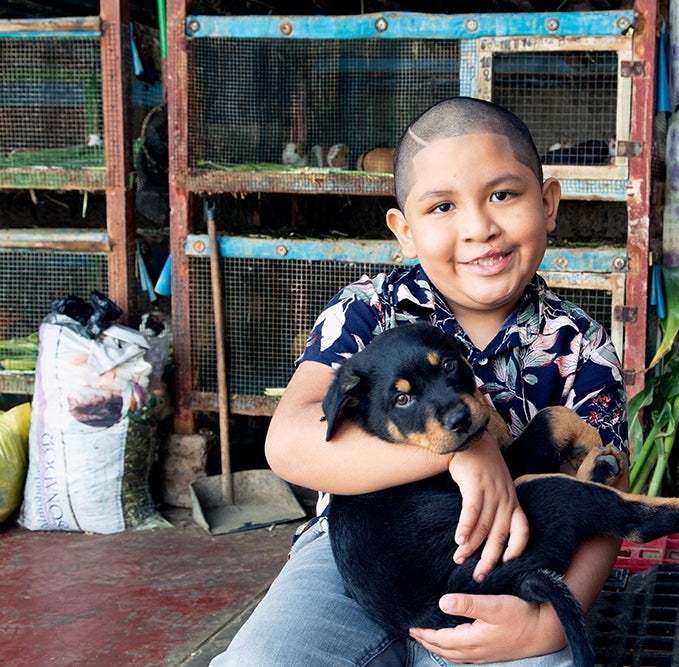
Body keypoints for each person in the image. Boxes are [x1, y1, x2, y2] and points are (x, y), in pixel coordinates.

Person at [211, 97, 629, 666]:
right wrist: (460, 451)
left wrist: (552, 623)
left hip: (510, 566)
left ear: (549, 203)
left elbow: (605, 492)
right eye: (442, 207)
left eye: (502, 195)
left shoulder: (580, 346)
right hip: (356, 562)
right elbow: (287, 442)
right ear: (404, 231)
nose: (480, 227)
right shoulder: (366, 311)